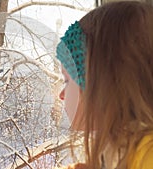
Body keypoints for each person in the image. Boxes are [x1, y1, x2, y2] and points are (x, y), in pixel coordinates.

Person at [56, 1, 153, 169]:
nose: (61, 94)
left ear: (102, 85)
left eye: (67, 80)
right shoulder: (119, 150)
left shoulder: (147, 154)